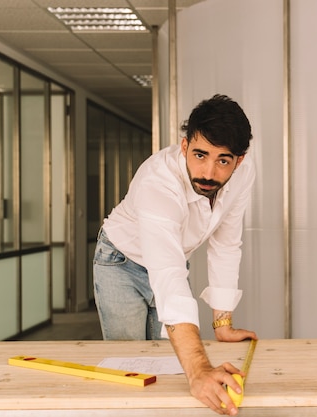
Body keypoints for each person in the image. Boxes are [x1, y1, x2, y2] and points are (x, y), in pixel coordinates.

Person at [93, 94, 257, 416]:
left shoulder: (243, 174)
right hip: (121, 263)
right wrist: (199, 371)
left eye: (223, 160)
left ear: (239, 160)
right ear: (184, 147)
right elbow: (167, 274)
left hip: (172, 258)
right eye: (200, 155)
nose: (209, 172)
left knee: (165, 366)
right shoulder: (158, 181)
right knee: (132, 366)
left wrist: (222, 323)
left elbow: (225, 243)